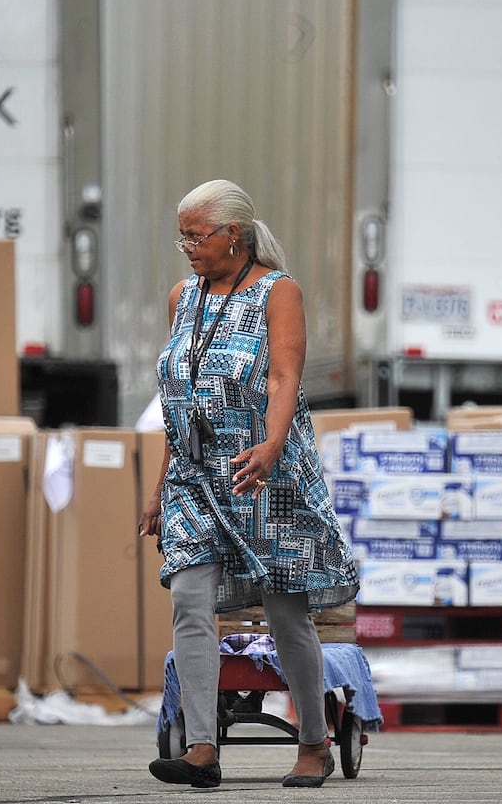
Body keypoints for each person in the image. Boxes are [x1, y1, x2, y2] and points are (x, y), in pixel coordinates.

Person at [139, 179, 359, 790]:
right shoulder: (183, 296)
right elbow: (179, 399)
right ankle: (203, 748)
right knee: (189, 600)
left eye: (195, 234)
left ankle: (313, 742)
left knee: (286, 611)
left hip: (263, 472)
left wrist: (272, 444)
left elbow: (287, 376)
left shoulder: (276, 291)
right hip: (193, 475)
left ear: (233, 235)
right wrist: (160, 487)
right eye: (181, 234)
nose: (186, 245)